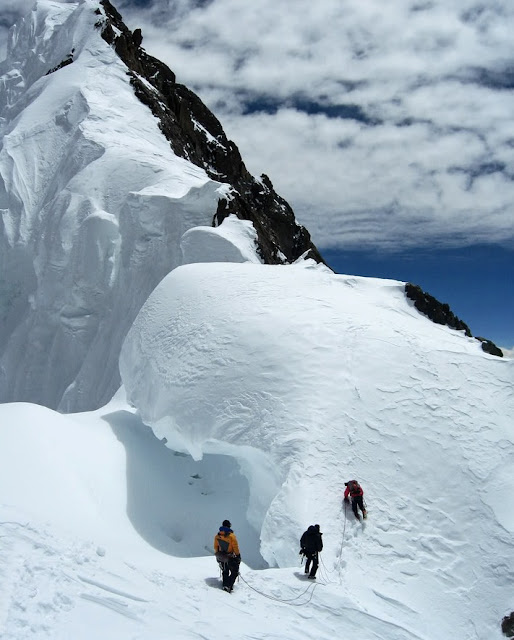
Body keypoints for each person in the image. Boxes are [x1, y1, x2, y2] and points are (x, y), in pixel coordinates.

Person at [214, 519, 241, 593]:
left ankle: (225, 585)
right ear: (229, 526)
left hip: (222, 556)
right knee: (234, 571)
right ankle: (229, 585)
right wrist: (238, 556)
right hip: (230, 557)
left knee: (225, 571)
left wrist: (217, 555)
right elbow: (235, 547)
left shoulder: (217, 536)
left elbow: (216, 547)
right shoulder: (232, 536)